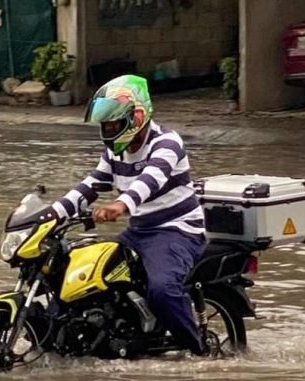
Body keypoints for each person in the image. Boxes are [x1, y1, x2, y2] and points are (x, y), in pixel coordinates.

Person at [50, 74, 207, 355]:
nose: (108, 129)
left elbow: (150, 180)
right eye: (105, 124)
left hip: (176, 230)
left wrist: (121, 205)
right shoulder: (114, 153)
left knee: (161, 290)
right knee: (80, 277)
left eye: (113, 123)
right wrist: (51, 215)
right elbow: (91, 185)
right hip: (138, 232)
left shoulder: (167, 143)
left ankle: (198, 353)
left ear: (135, 117)